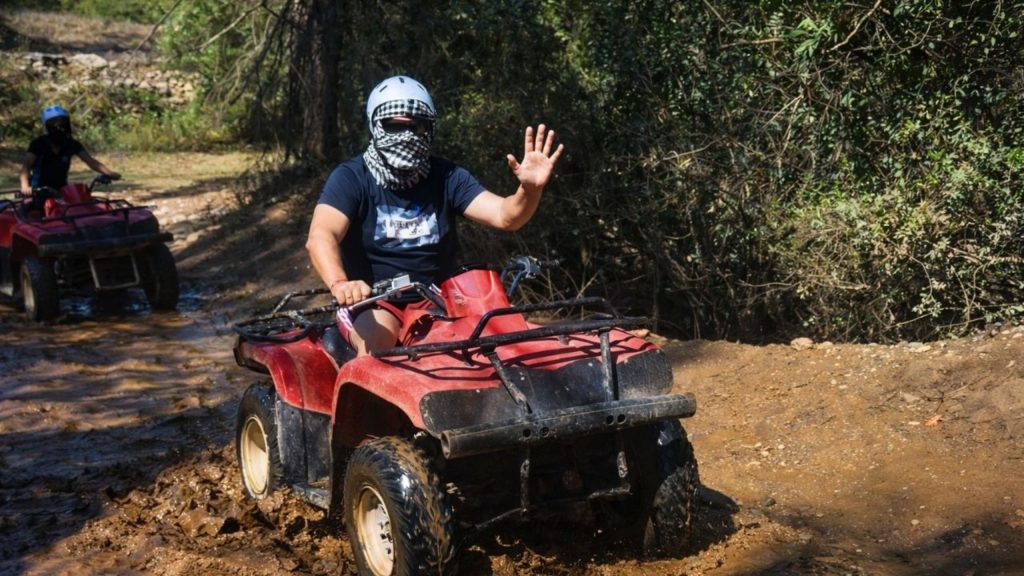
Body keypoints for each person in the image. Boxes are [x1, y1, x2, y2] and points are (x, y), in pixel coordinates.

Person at [306, 75, 564, 355]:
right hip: (374, 302)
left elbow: (506, 216)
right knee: (378, 346)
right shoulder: (352, 177)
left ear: (430, 129)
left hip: (443, 297)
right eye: (394, 126)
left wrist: (529, 190)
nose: (407, 135)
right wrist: (341, 283)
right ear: (374, 125)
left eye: (418, 126)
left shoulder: (447, 176)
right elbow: (321, 235)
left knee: (502, 338)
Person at [19, 105, 121, 213]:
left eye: (62, 122)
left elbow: (90, 161)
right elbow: (26, 166)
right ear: (47, 126)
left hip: (62, 190)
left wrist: (109, 173)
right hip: (39, 190)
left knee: (76, 211)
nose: (59, 126)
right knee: (35, 213)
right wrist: (25, 186)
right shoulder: (38, 144)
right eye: (55, 122)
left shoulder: (71, 143)